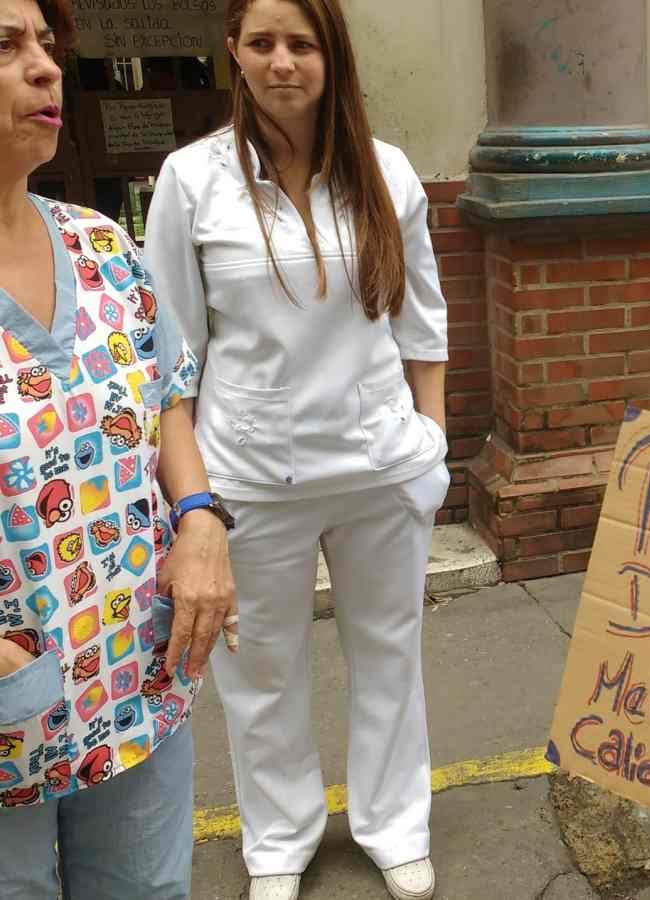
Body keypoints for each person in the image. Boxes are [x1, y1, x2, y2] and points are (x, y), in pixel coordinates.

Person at [142, 0, 449, 898]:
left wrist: (430, 448)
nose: (283, 62)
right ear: (233, 52)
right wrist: (191, 499)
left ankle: (395, 824)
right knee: (259, 672)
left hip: (379, 468)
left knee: (389, 655)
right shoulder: (192, 179)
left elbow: (423, 325)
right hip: (249, 477)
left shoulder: (385, 172)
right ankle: (278, 839)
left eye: (302, 44)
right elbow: (173, 356)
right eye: (263, 43)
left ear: (331, 54)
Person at [0, 1, 237, 898]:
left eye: (46, 45)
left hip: (134, 675)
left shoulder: (100, 245)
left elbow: (166, 390)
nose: (46, 68)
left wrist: (200, 519)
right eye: (5, 46)